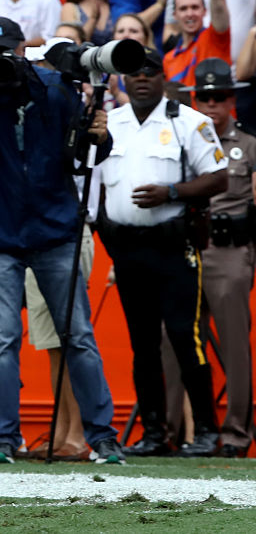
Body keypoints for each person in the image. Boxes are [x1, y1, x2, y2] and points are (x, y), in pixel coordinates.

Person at [0, 16, 125, 465]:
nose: (6, 63)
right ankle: (3, 439)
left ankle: (103, 438)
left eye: (12, 54)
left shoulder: (53, 85)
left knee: (77, 334)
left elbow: (86, 153)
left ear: (25, 52)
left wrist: (100, 130)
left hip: (54, 227)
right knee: (1, 338)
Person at [97, 50, 227, 457]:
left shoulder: (190, 121)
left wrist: (171, 192)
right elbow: (97, 186)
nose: (140, 78)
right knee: (142, 345)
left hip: (173, 246)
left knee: (186, 338)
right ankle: (154, 433)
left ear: (162, 76)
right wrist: (107, 235)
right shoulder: (109, 125)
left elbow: (219, 177)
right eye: (132, 72)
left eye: (149, 72)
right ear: (120, 79)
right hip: (126, 248)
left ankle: (206, 429)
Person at [179, 59, 256, 458]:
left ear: (232, 99)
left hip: (229, 251)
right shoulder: (183, 140)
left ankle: (236, 434)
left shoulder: (251, 145)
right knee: (174, 341)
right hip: (188, 248)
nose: (211, 104)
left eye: (219, 96)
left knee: (233, 347)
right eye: (204, 97)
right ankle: (179, 432)